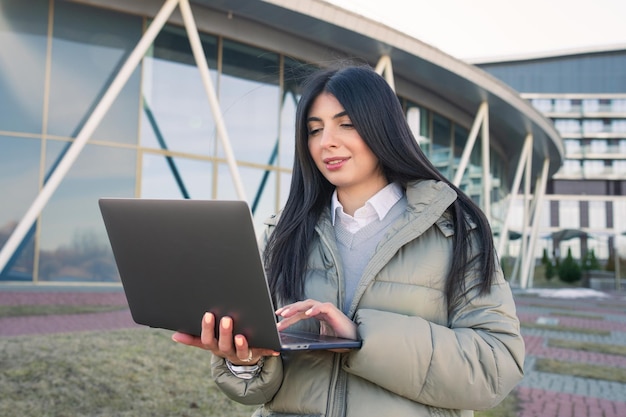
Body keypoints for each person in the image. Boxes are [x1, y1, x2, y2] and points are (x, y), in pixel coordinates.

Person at [172, 64, 525, 416]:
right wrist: (244, 362)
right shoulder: (283, 234)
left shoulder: (455, 231)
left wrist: (360, 339)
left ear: (383, 127)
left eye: (346, 124)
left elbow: (496, 365)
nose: (327, 142)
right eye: (314, 130)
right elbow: (262, 388)